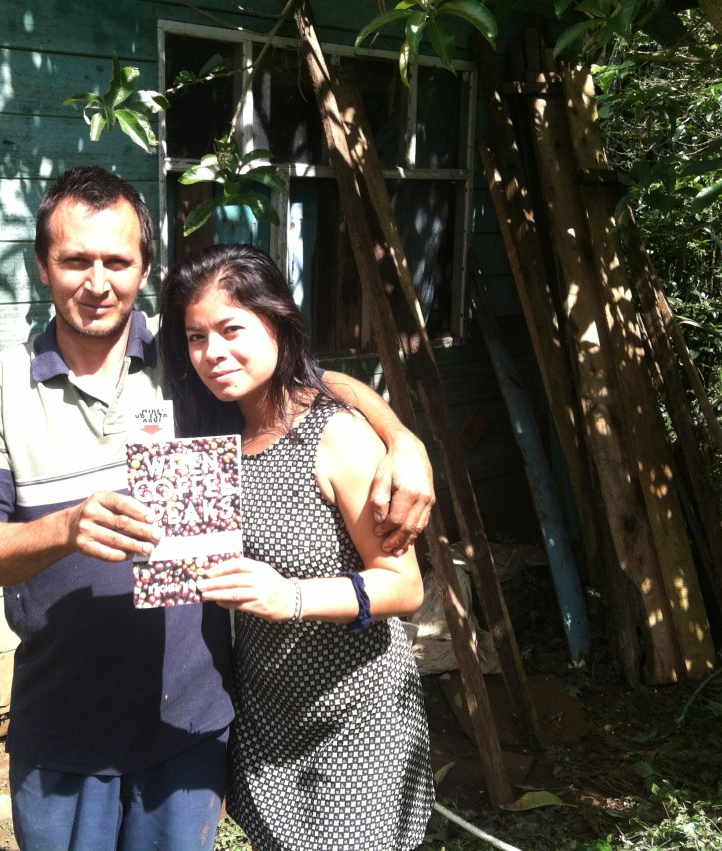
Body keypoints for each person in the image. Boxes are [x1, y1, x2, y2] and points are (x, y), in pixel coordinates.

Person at [0, 166, 433, 851]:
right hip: (65, 721)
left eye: (117, 260)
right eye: (74, 259)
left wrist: (403, 438)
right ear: (41, 265)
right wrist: (64, 528)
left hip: (190, 720)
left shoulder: (186, 358)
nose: (97, 280)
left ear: (143, 266)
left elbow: (304, 379)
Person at [160, 243, 435, 851]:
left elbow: (404, 585)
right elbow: (329, 375)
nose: (213, 352)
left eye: (232, 328)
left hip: (357, 720)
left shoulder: (335, 435)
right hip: (266, 715)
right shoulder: (216, 431)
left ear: (278, 321)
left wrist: (291, 596)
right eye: (196, 336)